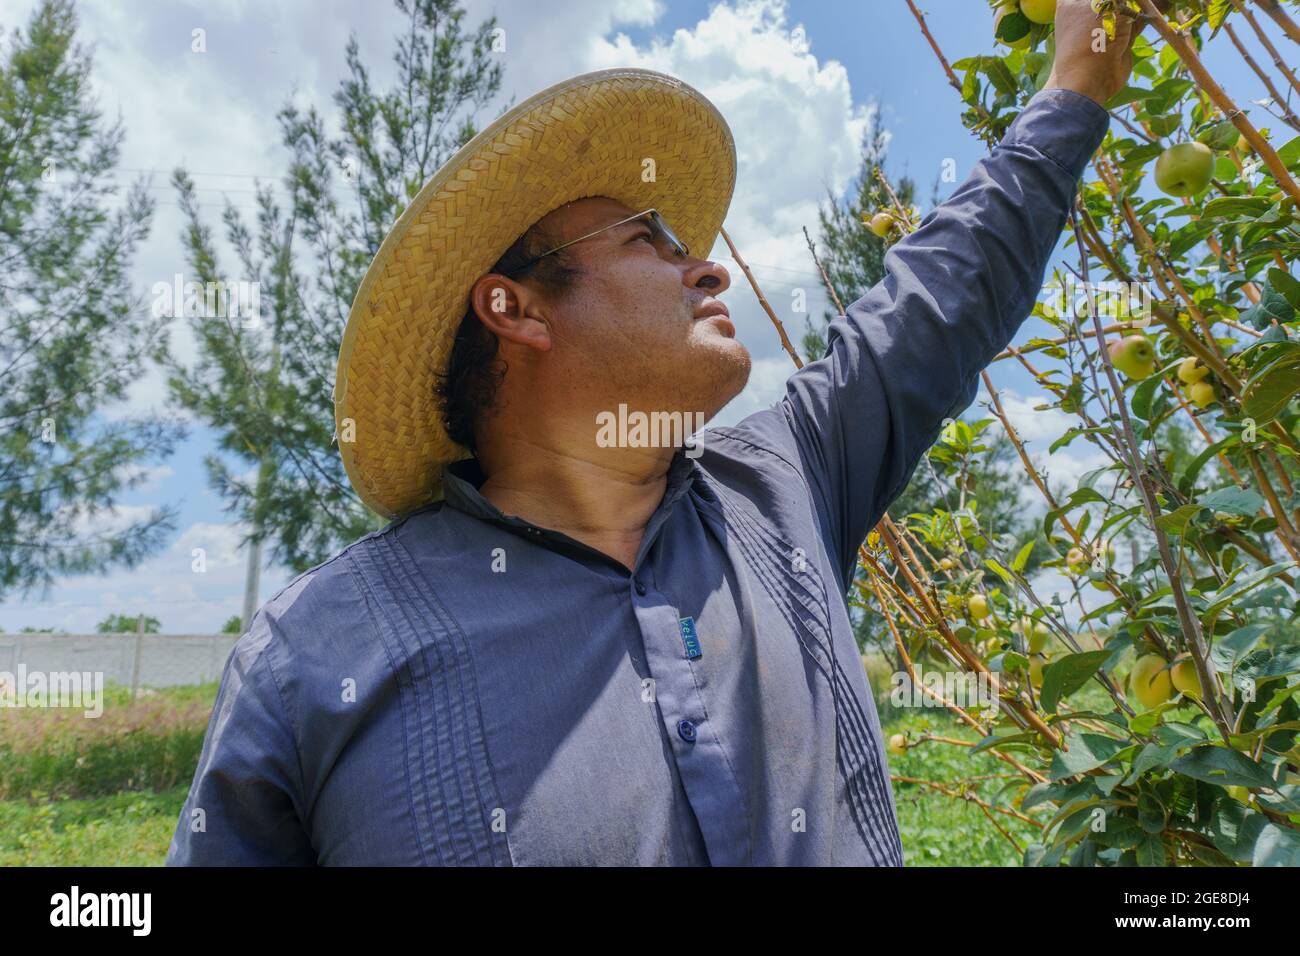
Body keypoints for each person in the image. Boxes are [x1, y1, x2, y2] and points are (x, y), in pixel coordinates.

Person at [168, 0, 1144, 865]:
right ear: (515, 308)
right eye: (648, 240)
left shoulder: (784, 485)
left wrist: (1077, 78)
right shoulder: (312, 654)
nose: (708, 268)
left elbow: (938, 296)